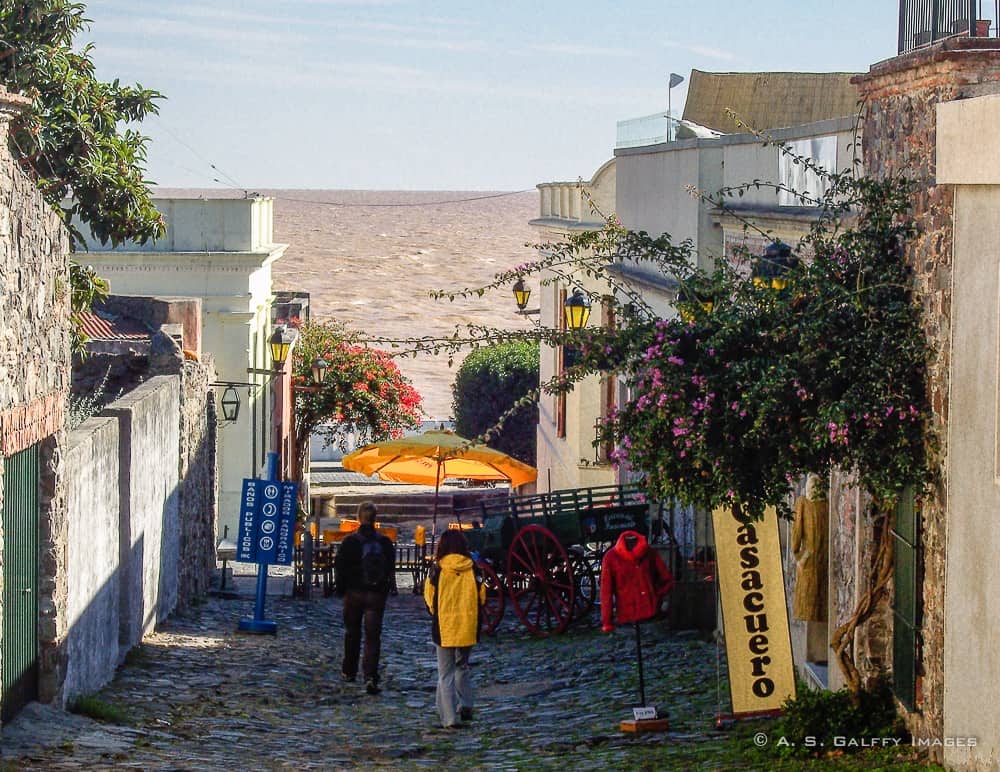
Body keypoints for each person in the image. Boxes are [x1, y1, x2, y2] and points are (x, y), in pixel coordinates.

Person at [423, 529, 485, 729]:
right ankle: (466, 704)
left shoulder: (438, 569)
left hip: (444, 625)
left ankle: (449, 718)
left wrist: (436, 612)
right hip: (467, 625)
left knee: (445, 673)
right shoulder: (473, 568)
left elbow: (429, 595)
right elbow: (481, 596)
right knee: (462, 667)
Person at [334, 502, 396, 695]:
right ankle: (370, 675)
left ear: (358, 517)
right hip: (376, 595)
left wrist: (341, 589)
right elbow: (390, 568)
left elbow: (340, 568)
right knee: (372, 637)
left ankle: (349, 670)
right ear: (375, 518)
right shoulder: (384, 543)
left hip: (354, 593)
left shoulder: (350, 542)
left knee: (352, 632)